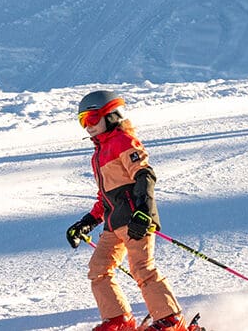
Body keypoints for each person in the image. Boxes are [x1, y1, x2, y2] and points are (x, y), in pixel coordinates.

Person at [63, 90, 191, 331]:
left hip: (135, 221)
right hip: (114, 225)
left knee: (142, 269)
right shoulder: (98, 154)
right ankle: (119, 319)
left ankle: (171, 319)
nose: (87, 127)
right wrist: (85, 223)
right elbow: (105, 198)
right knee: (98, 270)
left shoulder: (123, 141)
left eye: (92, 119)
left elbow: (145, 175)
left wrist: (143, 211)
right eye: (82, 121)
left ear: (111, 115)